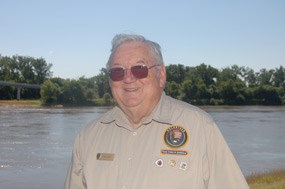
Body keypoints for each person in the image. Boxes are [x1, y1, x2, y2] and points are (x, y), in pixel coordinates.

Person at [64, 34, 249, 189]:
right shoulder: (87, 137)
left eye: (140, 69)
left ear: (161, 75)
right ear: (110, 80)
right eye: (118, 72)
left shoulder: (200, 127)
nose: (128, 79)